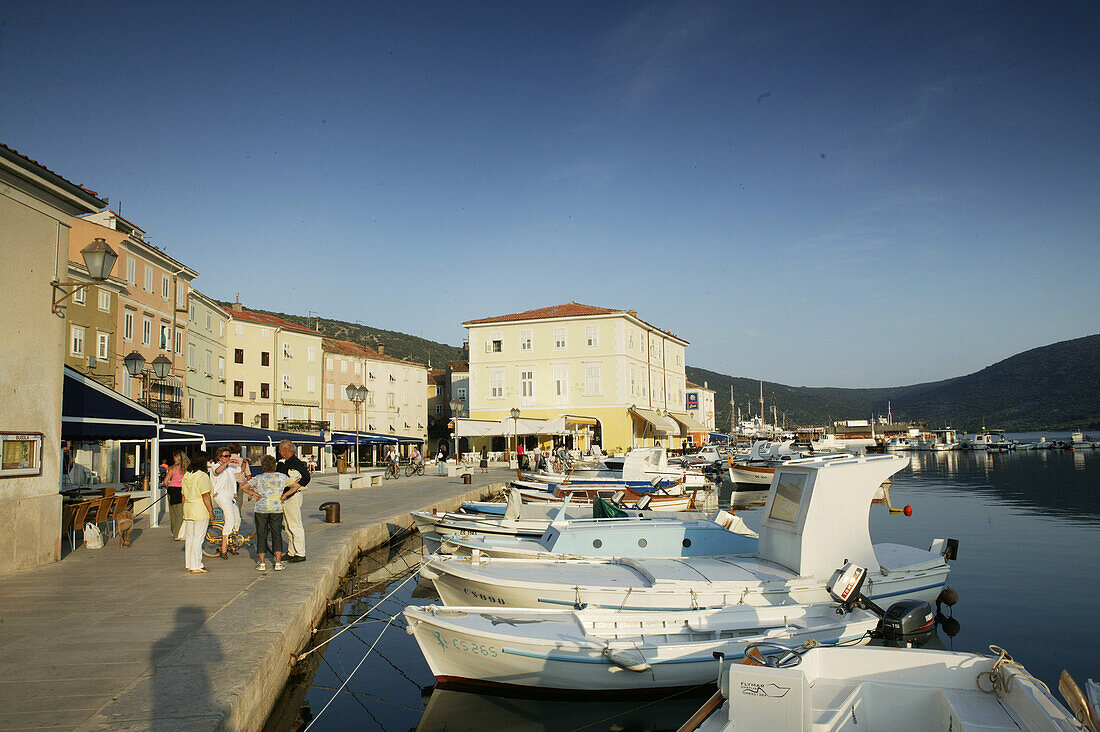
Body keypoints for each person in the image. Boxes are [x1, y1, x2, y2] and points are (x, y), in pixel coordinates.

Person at [242, 454, 299, 571]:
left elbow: (244, 487)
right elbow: (295, 486)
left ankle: (262, 563)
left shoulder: (258, 478)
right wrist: (285, 495)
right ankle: (278, 562)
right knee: (276, 534)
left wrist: (253, 494)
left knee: (261, 535)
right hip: (276, 509)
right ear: (275, 465)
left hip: (261, 509)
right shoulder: (282, 477)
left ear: (263, 466)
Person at [181, 450, 216, 573]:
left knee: (190, 537)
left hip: (188, 508)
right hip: (200, 509)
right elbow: (205, 495)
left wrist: (184, 508)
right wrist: (211, 511)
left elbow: (183, 495)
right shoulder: (202, 476)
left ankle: (190, 563)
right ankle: (197, 564)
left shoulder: (187, 475)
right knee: (198, 538)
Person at [276, 440, 311, 563]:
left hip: (292, 497)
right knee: (287, 525)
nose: (279, 452)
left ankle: (300, 552)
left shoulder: (296, 463)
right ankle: (291, 551)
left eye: (280, 449)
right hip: (285, 498)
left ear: (287, 450)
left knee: (295, 524)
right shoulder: (284, 463)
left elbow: (306, 477)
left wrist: (294, 488)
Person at [210, 446, 243, 559]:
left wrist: (244, 462)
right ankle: (224, 547)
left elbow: (240, 470)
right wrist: (228, 462)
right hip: (221, 495)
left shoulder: (229, 467)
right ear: (219, 458)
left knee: (237, 519)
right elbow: (217, 471)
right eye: (225, 456)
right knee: (230, 519)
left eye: (229, 455)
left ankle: (232, 543)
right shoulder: (216, 466)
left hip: (231, 496)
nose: (228, 458)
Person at [165, 451, 188, 540]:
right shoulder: (186, 468)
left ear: (176, 458)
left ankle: (174, 530)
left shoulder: (172, 468)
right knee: (180, 512)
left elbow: (165, 481)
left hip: (172, 489)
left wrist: (168, 488)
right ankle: (177, 533)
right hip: (181, 489)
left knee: (173, 512)